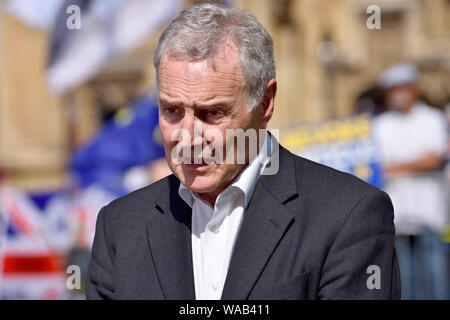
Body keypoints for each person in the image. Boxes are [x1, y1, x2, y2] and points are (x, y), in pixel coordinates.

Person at [86, 3, 400, 300]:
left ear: (265, 103)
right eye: (171, 110)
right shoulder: (119, 227)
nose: (188, 137)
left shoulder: (348, 215)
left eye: (212, 113)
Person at [373, 63, 449, 299]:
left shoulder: (433, 119)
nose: (397, 95)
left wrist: (394, 167)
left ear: (415, 89)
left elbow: (434, 159)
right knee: (404, 281)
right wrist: (413, 164)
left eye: (402, 89)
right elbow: (373, 166)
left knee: (435, 277)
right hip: (396, 211)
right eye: (392, 90)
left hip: (429, 211)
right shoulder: (379, 125)